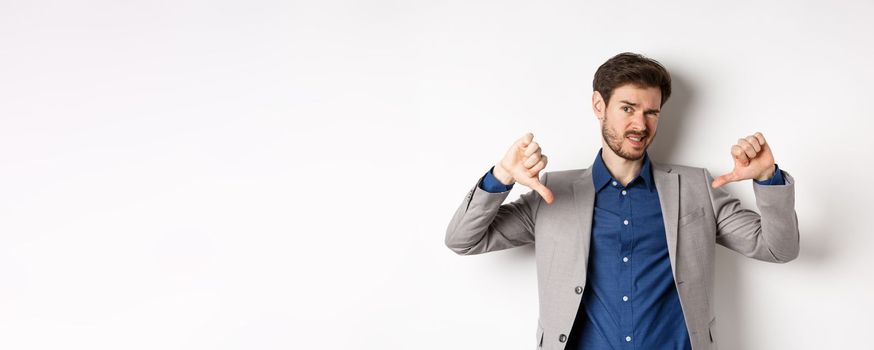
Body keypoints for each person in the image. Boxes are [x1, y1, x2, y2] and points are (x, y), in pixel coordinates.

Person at [444, 52, 799, 350]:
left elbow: (778, 249)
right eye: (627, 108)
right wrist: (501, 176)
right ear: (599, 105)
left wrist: (768, 179)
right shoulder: (553, 193)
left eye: (651, 112)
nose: (640, 125)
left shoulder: (696, 187)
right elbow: (463, 239)